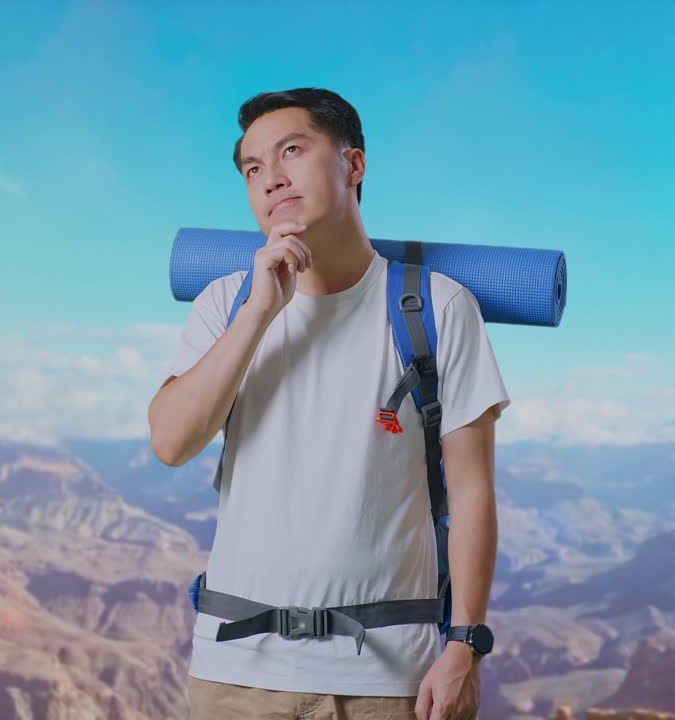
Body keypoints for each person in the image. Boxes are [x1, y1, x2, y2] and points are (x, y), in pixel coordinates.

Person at [148, 87, 511, 720]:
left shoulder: (438, 308)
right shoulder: (225, 303)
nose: (271, 178)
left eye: (292, 150)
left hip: (389, 678)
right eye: (253, 168)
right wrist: (260, 312)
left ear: (353, 165)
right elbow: (171, 443)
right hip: (234, 676)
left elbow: (473, 488)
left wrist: (465, 646)